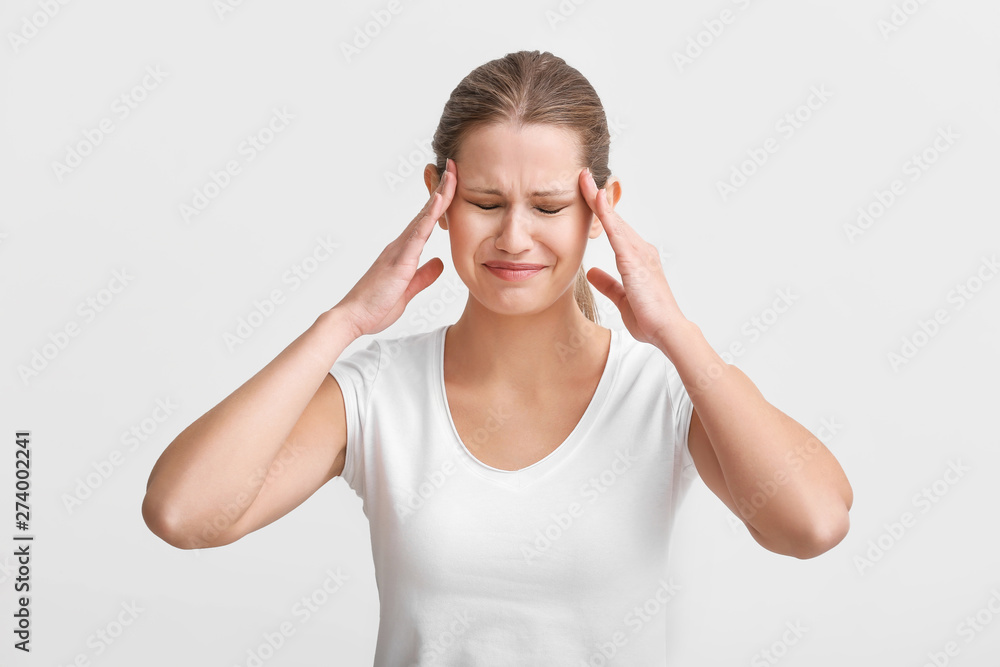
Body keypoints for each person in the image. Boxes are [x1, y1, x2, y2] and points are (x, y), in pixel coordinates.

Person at [142, 50, 853, 665]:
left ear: (602, 209)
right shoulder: (377, 392)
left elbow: (814, 524)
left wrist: (676, 332)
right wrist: (344, 321)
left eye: (548, 207)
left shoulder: (663, 395)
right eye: (486, 201)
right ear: (439, 198)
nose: (514, 237)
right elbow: (182, 512)